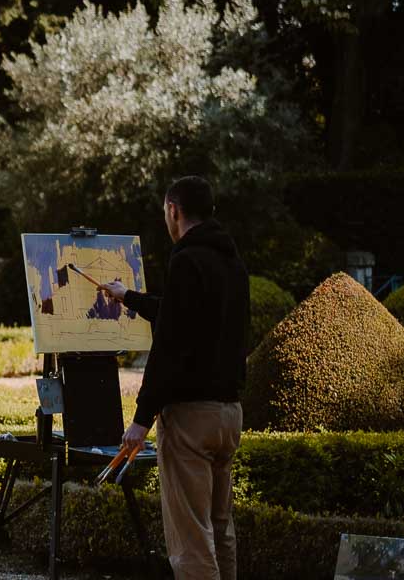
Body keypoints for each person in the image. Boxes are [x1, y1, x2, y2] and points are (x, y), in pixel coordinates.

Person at [103, 176, 250, 580]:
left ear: (174, 209)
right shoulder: (232, 263)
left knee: (191, 543)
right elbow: (181, 316)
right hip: (229, 414)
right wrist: (128, 297)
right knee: (221, 532)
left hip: (190, 418)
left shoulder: (186, 260)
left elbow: (170, 346)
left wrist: (140, 418)